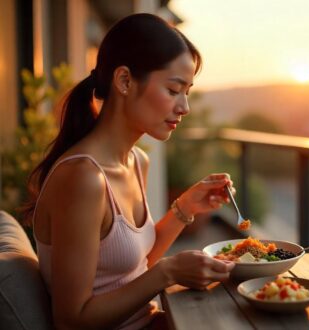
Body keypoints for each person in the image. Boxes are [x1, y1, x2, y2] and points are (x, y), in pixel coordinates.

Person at [23, 13, 235, 330]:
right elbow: (71, 319)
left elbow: (133, 270)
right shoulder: (83, 178)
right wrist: (168, 272)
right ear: (124, 81)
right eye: (173, 89)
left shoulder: (136, 161)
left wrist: (186, 206)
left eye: (187, 92)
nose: (184, 107)